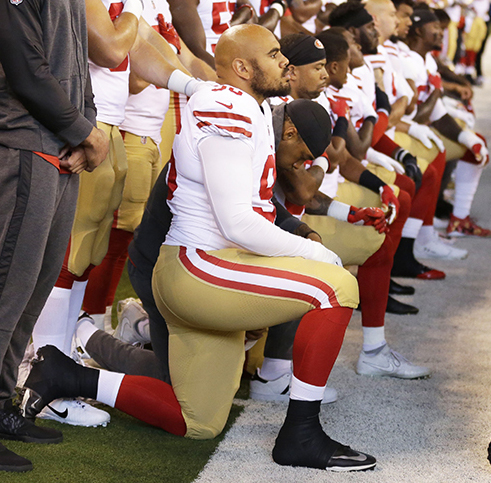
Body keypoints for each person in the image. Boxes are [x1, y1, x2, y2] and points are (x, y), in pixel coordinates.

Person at [23, 24, 377, 472]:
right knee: (336, 286)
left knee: (199, 420)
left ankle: (66, 373)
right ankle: (301, 434)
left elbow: (155, 51)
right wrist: (317, 255)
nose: (284, 60)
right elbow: (237, 221)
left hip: (206, 263)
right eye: (273, 54)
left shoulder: (235, 101)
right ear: (244, 68)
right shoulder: (228, 108)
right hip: (199, 265)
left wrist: (189, 81)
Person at [0, 0, 109, 472]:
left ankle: (4, 407)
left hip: (61, 152)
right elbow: (26, 69)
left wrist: (87, 131)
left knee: (33, 290)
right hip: (25, 143)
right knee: (9, 290)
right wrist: (83, 129)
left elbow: (77, 62)